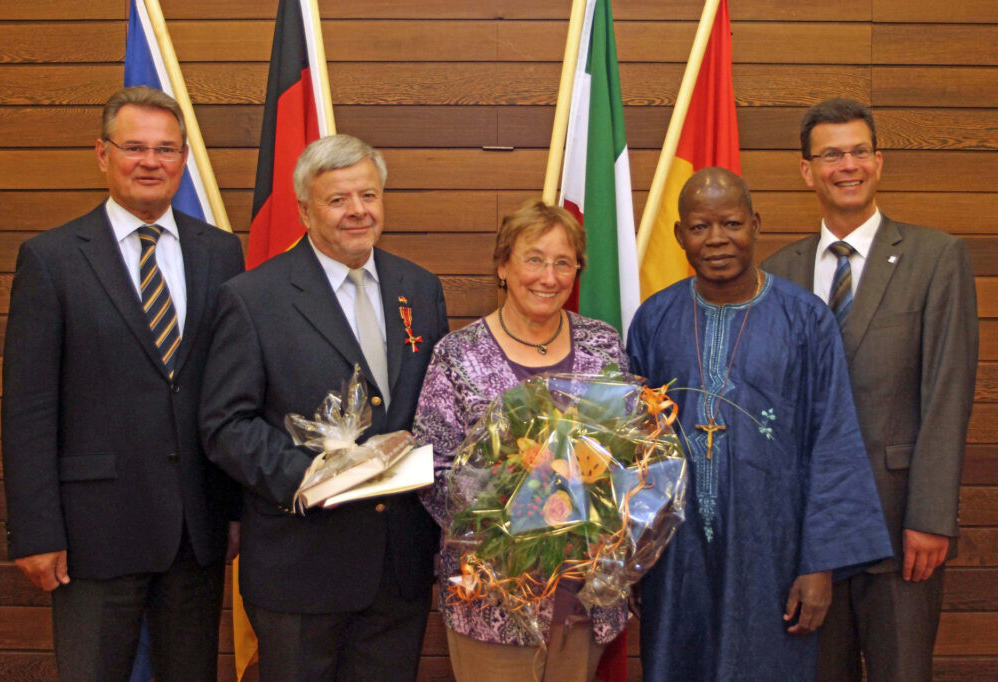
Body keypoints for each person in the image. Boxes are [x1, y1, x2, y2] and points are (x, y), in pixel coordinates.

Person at [1, 86, 244, 681]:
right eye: (134, 147)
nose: (151, 162)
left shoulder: (221, 253)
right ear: (102, 154)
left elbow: (234, 391)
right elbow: (29, 407)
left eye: (166, 149)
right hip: (91, 532)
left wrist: (236, 510)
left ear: (184, 160)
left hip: (197, 528)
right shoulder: (51, 258)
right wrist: (36, 530)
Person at [200, 134, 449, 681]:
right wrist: (318, 473)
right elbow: (226, 425)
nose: (358, 211)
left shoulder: (420, 288)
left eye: (369, 195)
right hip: (301, 566)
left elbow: (436, 408)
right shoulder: (252, 298)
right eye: (339, 200)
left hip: (397, 566)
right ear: (305, 211)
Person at [628, 167, 892, 680]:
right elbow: (633, 444)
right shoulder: (654, 319)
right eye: (700, 227)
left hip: (771, 550)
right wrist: (635, 554)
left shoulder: (805, 319)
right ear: (680, 235)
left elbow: (832, 440)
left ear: (755, 224)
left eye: (730, 223)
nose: (717, 239)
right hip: (675, 556)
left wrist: (819, 564)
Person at [763, 97, 979, 681]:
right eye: (831, 155)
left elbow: (948, 393)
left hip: (900, 527)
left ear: (879, 163)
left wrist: (932, 515)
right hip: (810, 540)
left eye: (859, 151)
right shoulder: (777, 274)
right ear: (807, 171)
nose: (847, 165)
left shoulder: (937, 258)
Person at [413, 200, 630, 681]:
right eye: (534, 259)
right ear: (503, 265)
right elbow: (433, 469)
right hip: (492, 599)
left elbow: (630, 450)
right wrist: (519, 519)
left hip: (584, 596)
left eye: (563, 262)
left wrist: (594, 493)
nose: (548, 277)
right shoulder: (458, 354)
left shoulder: (603, 345)